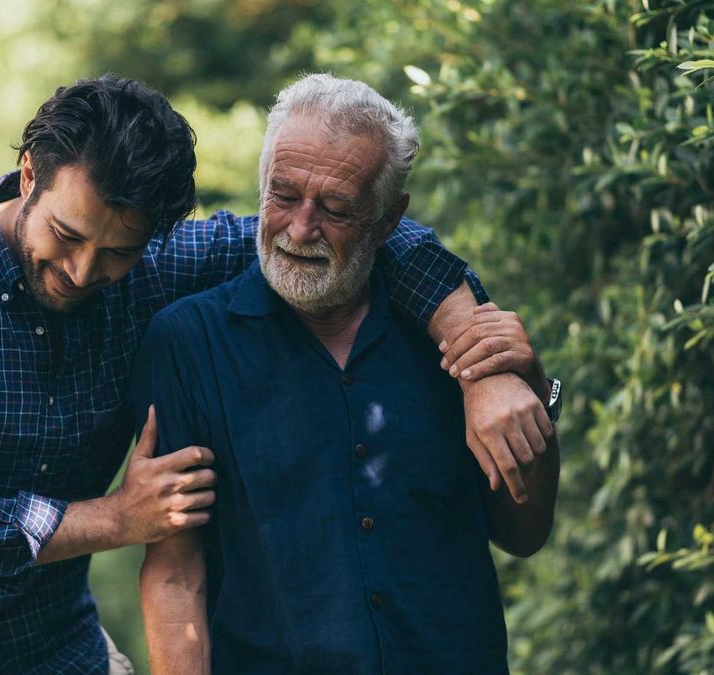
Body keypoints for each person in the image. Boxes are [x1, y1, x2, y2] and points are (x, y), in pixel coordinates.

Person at [0, 74, 547, 673]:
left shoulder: (153, 266)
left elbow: (361, 236)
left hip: (46, 653)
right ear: (29, 174)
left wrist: (477, 354)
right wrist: (116, 518)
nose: (83, 271)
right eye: (67, 234)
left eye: (116, 251)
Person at [132, 74, 562, 675]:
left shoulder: (455, 333)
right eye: (283, 196)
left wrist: (528, 391)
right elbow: (178, 571)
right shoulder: (189, 341)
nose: (300, 229)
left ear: (388, 220)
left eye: (336, 209)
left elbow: (523, 534)